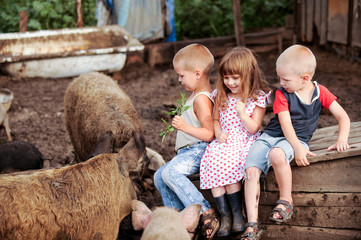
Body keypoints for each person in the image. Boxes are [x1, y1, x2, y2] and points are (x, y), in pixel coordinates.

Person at [241, 44, 351, 240]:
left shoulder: (321, 92)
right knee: (250, 171)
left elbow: (343, 117)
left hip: (296, 139)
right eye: (279, 77)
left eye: (285, 79)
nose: (280, 83)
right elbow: (285, 124)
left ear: (305, 78)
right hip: (272, 135)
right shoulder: (283, 94)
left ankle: (286, 200)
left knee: (277, 154)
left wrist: (341, 140)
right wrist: (297, 149)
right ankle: (252, 223)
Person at [199, 47, 271, 237]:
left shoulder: (256, 98)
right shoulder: (221, 95)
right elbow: (215, 119)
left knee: (230, 163)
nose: (230, 82)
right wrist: (219, 131)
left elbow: (254, 127)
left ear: (248, 75)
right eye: (226, 77)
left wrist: (242, 113)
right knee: (212, 159)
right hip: (225, 138)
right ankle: (226, 216)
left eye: (235, 78)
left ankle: (238, 215)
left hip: (244, 139)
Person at [154, 43, 220, 240]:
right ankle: (180, 223)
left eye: (182, 75)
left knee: (170, 172)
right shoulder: (193, 97)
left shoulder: (202, 99)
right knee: (159, 176)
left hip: (198, 150)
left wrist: (184, 127)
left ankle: (206, 213)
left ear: (198, 73)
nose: (179, 79)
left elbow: (209, 134)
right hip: (186, 153)